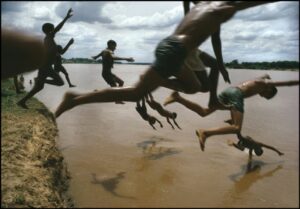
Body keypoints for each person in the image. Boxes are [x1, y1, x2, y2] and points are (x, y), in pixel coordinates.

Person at [55, 2, 276, 118]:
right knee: (137, 94)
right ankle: (74, 98)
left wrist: (220, 64)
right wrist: (220, 63)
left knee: (197, 86)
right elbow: (218, 38)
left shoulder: (201, 6)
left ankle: (74, 98)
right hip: (177, 51)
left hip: (171, 46)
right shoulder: (221, 8)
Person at [163, 74, 299, 151]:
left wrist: (266, 75)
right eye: (265, 95)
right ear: (270, 89)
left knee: (204, 112)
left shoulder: (260, 81)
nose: (262, 96)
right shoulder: (265, 84)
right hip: (236, 95)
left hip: (229, 91)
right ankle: (205, 133)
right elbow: (286, 83)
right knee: (236, 128)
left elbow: (264, 75)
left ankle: (178, 98)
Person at [17, 9, 73, 109]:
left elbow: (59, 52)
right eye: (53, 29)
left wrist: (68, 44)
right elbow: (58, 28)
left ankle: (22, 101)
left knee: (39, 87)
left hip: (44, 66)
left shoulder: (48, 39)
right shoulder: (49, 37)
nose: (55, 30)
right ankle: (38, 81)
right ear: (51, 30)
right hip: (46, 66)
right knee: (60, 82)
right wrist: (66, 17)